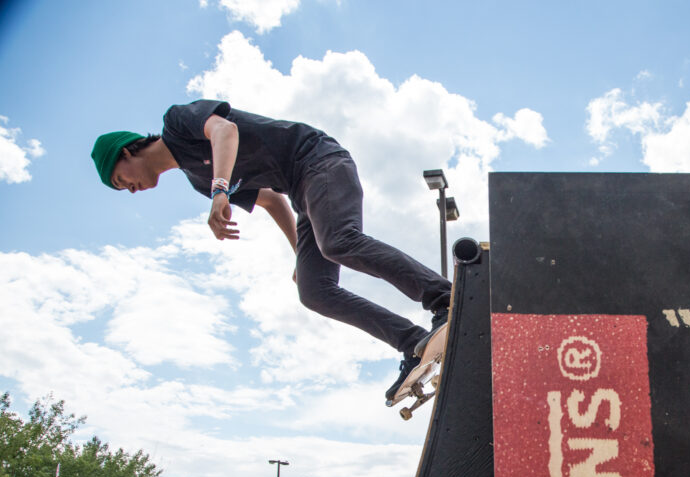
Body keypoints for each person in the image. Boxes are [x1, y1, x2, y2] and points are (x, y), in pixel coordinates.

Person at [91, 100, 451, 401]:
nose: (131, 190)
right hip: (300, 194)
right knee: (314, 292)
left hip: (318, 159)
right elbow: (269, 199)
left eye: (122, 180)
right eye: (123, 191)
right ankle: (414, 342)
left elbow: (224, 131)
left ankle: (445, 298)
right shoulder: (196, 180)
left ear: (126, 152)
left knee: (339, 240)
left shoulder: (176, 123)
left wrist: (220, 190)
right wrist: (299, 253)